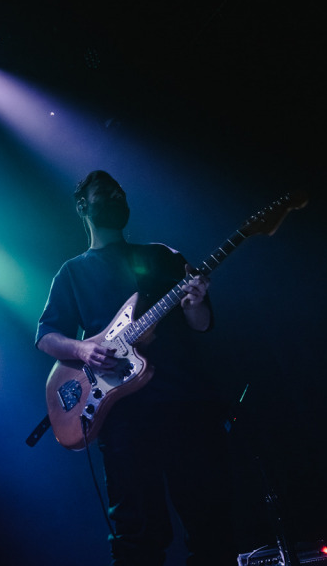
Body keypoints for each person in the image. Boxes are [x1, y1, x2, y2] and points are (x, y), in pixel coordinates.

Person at [36, 170, 236, 566]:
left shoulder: (163, 256)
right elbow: (46, 336)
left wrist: (196, 301)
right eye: (105, 191)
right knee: (137, 536)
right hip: (123, 417)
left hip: (186, 403)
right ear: (83, 205)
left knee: (211, 526)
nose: (116, 194)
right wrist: (83, 349)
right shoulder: (73, 272)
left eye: (120, 190)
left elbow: (201, 324)